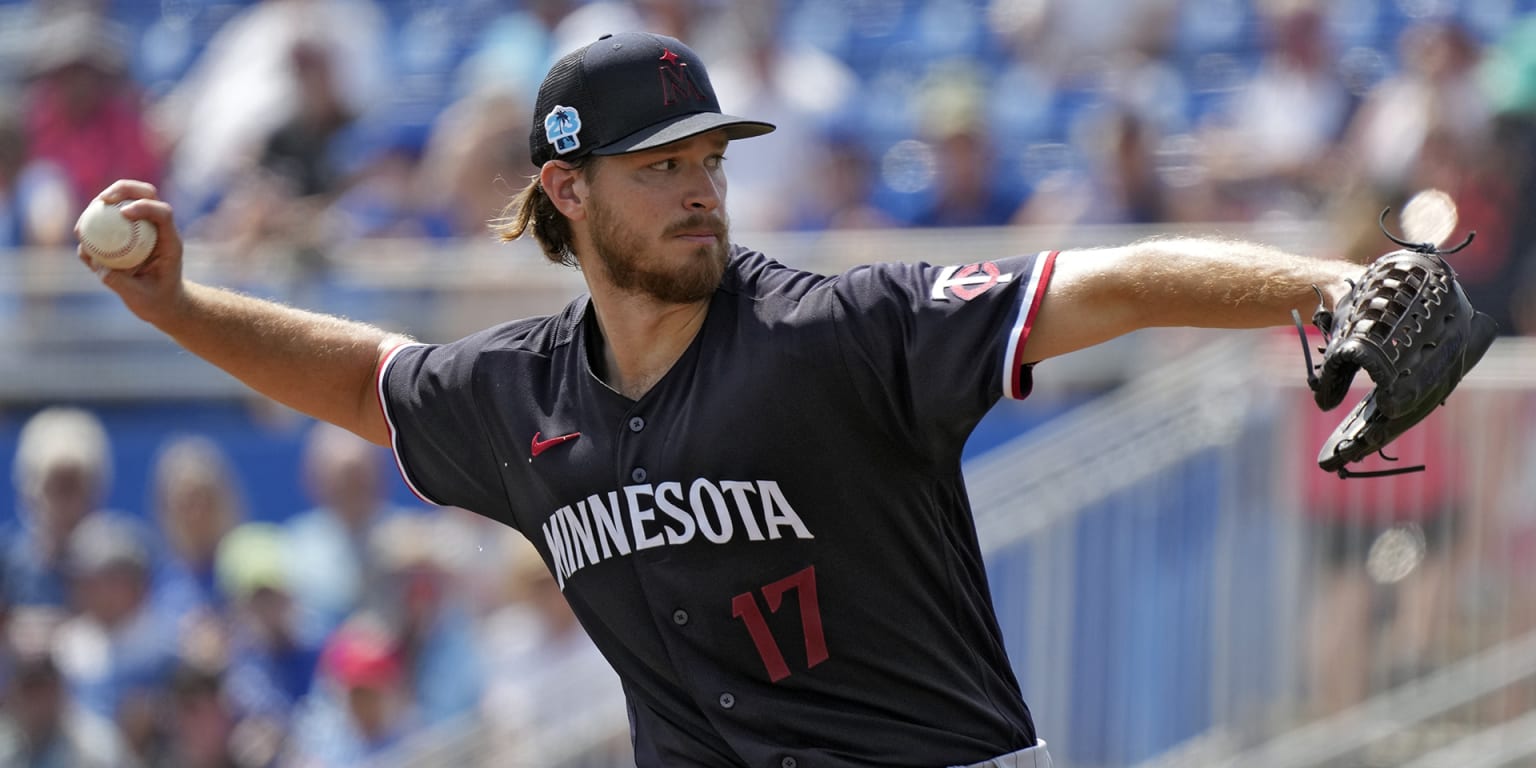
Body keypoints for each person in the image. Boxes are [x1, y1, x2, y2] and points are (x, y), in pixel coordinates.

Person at [80, 30, 1366, 768]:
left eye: (710, 159)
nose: (702, 187)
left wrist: (1341, 287)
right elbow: (365, 379)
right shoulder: (523, 394)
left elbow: (1112, 281)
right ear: (567, 192)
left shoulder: (840, 330)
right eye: (660, 168)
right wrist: (181, 311)